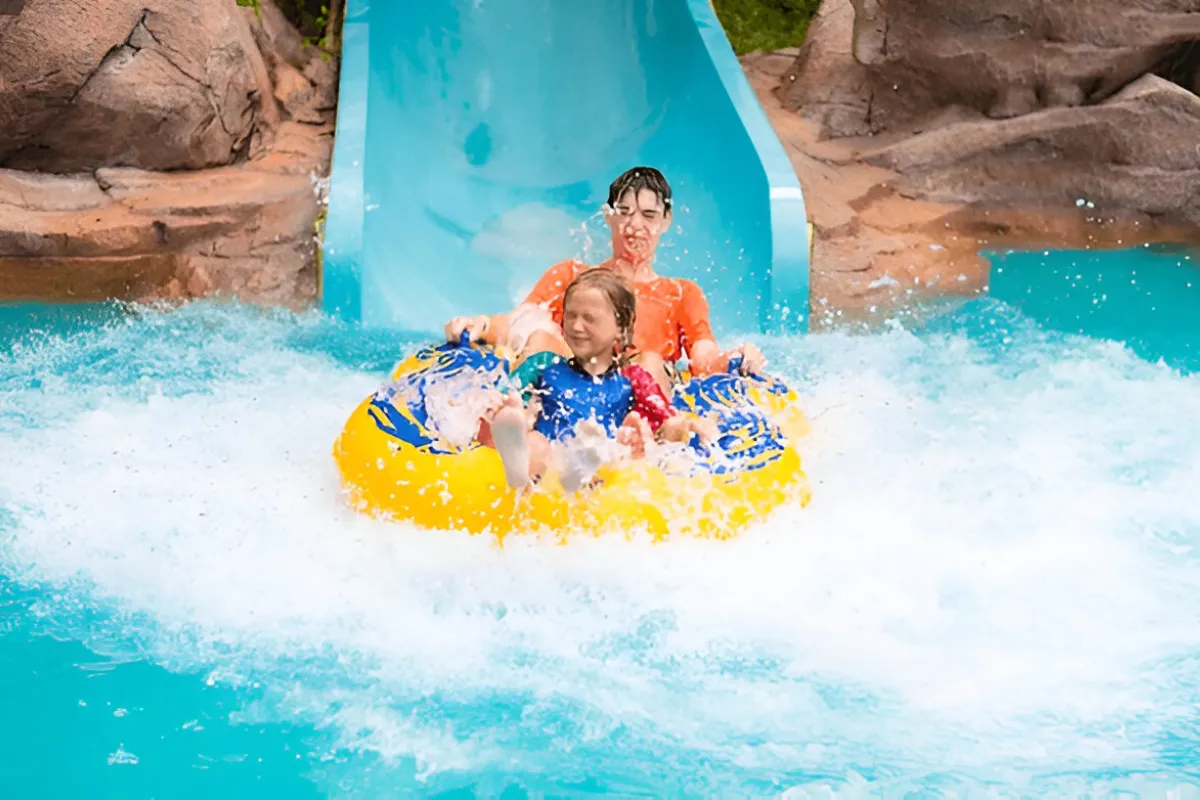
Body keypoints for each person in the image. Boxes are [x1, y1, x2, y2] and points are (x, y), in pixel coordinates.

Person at [443, 167, 767, 393]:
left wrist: (736, 359)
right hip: (573, 385)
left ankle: (644, 446)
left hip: (642, 390)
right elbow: (518, 322)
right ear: (609, 216)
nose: (634, 224)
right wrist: (481, 324)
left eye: (649, 215)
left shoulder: (681, 294)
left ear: (666, 221)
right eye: (624, 212)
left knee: (649, 361)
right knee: (541, 339)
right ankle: (512, 422)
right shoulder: (572, 276)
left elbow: (703, 359)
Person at [477, 269, 717, 492]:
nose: (576, 326)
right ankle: (513, 456)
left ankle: (587, 462)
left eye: (589, 318)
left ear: (621, 328)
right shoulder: (544, 366)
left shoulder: (632, 380)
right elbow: (505, 400)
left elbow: (667, 420)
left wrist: (685, 427)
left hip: (602, 468)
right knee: (534, 440)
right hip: (547, 466)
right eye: (570, 316)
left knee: (632, 445)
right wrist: (505, 413)